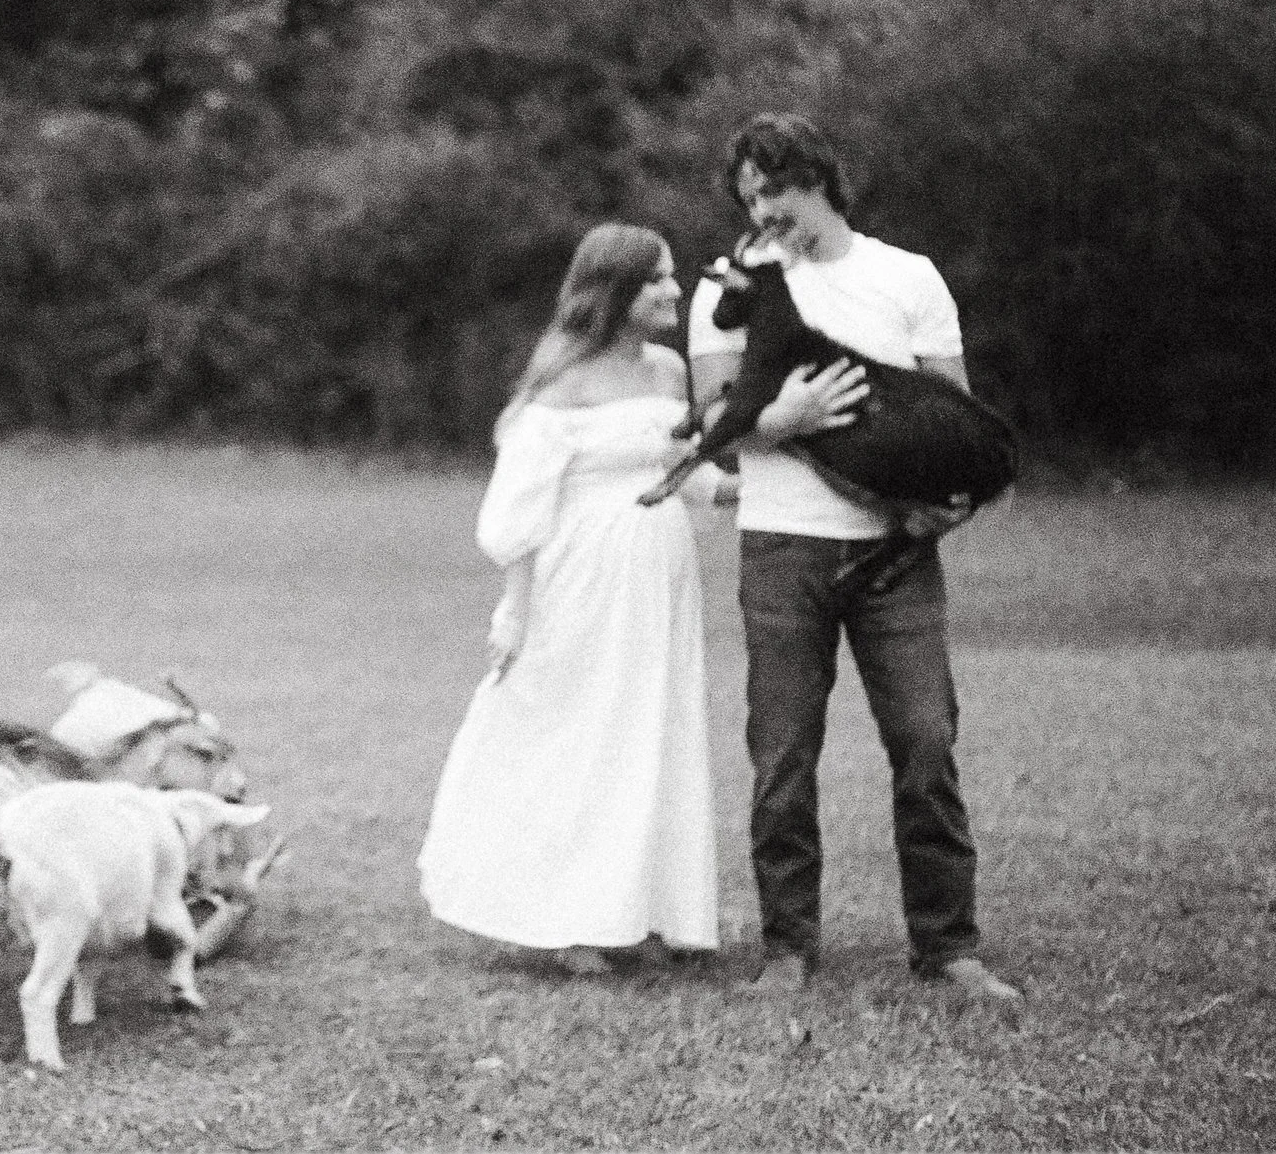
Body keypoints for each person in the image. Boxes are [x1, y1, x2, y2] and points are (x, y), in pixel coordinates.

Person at [687, 112, 1020, 1002]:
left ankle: (948, 950)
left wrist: (939, 504)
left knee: (924, 742)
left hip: (894, 556)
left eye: (777, 190)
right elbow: (716, 416)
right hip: (782, 546)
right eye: (750, 195)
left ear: (820, 180)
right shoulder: (733, 285)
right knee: (784, 755)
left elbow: (953, 418)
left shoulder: (906, 278)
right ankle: (788, 950)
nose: (764, 210)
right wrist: (778, 420)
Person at [418, 223, 719, 974]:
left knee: (652, 726)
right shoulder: (563, 382)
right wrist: (514, 610)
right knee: (583, 728)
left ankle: (642, 907)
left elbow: (686, 466)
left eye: (672, 276)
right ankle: (566, 918)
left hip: (662, 572)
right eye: (655, 280)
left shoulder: (670, 371)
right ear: (614, 292)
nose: (673, 291)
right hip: (584, 575)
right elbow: (520, 512)